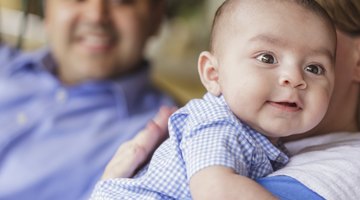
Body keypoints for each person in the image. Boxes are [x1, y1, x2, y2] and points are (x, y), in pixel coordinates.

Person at [96, 0, 360, 199]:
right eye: (267, 58)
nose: (293, 77)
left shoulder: (341, 165)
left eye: (314, 67)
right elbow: (216, 190)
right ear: (213, 74)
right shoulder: (216, 122)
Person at [0, 0, 175, 199]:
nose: (96, 16)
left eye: (121, 1)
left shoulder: (170, 142)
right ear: (47, 8)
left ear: (156, 16)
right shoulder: (5, 63)